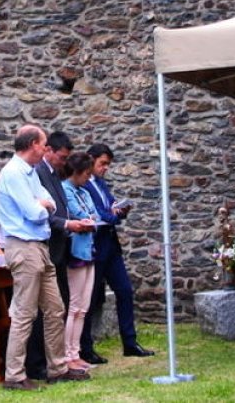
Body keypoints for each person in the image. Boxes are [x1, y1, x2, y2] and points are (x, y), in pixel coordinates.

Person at [0, 125, 88, 391]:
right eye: (44, 144)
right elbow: (34, 212)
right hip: (23, 246)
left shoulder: (30, 173)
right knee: (24, 313)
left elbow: (49, 202)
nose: (46, 149)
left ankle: (57, 368)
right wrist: (41, 205)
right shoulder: (13, 174)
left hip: (39, 246)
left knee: (55, 308)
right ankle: (14, 375)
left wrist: (42, 203)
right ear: (33, 144)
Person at [80, 143, 154, 361]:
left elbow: (110, 206)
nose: (105, 168)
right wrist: (114, 214)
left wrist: (120, 210)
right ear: (90, 160)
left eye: (107, 165)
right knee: (90, 297)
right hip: (96, 244)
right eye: (102, 164)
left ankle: (129, 342)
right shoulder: (84, 184)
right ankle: (86, 346)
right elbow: (101, 213)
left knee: (125, 290)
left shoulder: (101, 183)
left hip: (111, 244)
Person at [28, 130, 91, 379]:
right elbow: (43, 213)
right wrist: (67, 224)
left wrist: (73, 221)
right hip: (48, 247)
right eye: (62, 157)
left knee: (59, 306)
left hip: (60, 249)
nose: (65, 163)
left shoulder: (54, 173)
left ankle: (57, 359)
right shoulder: (39, 174)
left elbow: (58, 207)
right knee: (42, 310)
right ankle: (39, 363)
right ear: (49, 151)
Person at [60, 152, 99, 372]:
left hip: (89, 249)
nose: (87, 177)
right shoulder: (66, 189)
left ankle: (76, 352)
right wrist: (87, 220)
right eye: (85, 173)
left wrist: (89, 219)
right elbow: (79, 214)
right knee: (74, 305)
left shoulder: (84, 191)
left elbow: (92, 215)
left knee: (83, 307)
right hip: (76, 251)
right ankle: (68, 355)